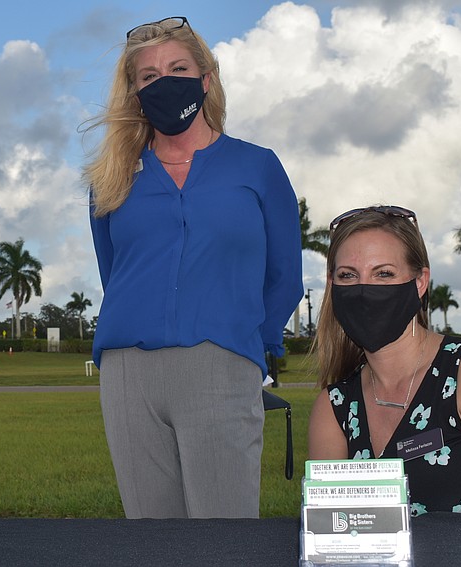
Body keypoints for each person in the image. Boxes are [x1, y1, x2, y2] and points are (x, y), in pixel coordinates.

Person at [83, 16, 303, 519]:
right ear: (135, 93)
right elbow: (114, 273)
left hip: (221, 364)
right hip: (126, 373)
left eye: (178, 68)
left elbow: (286, 276)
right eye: (149, 76)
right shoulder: (110, 180)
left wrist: (246, 346)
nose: (164, 82)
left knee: (223, 533)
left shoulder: (257, 167)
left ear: (205, 78)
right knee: (152, 535)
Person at [308, 205, 461, 516]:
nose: (365, 289)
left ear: (420, 283)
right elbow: (328, 534)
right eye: (348, 275)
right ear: (332, 285)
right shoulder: (335, 407)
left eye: (384, 273)